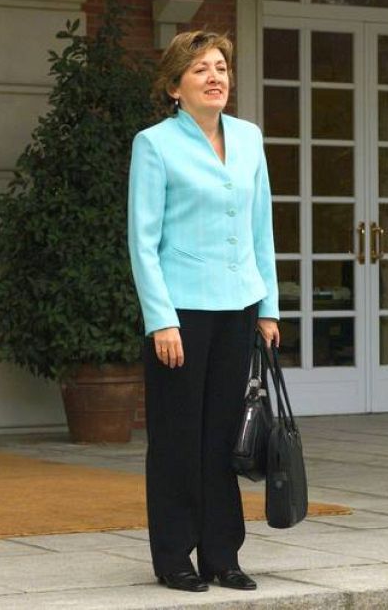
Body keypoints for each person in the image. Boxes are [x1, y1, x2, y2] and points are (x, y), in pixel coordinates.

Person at [127, 30, 280, 593]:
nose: (215, 77)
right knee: (176, 437)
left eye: (220, 67)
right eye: (200, 70)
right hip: (181, 313)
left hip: (239, 307)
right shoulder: (154, 144)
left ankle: (222, 554)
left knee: (224, 435)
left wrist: (268, 307)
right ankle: (174, 556)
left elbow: (261, 228)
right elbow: (143, 241)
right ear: (175, 87)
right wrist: (160, 319)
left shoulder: (249, 138)